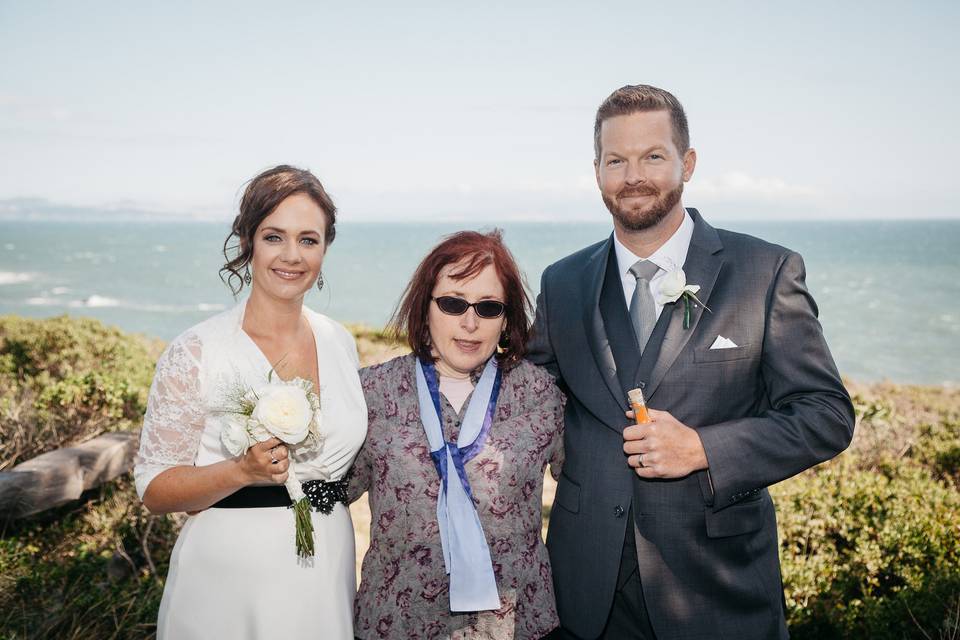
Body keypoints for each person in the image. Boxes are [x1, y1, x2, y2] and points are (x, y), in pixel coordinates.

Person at [527, 85, 856, 640]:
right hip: (585, 595)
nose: (634, 175)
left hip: (717, 594)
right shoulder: (562, 283)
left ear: (688, 163)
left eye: (653, 156)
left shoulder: (766, 271)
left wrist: (704, 449)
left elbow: (826, 414)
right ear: (597, 171)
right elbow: (532, 401)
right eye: (617, 160)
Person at [134, 165, 367, 639]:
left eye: (308, 239)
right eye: (274, 236)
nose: (291, 255)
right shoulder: (197, 350)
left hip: (326, 571)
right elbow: (155, 489)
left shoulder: (339, 341)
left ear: (325, 248)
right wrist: (241, 471)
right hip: (227, 581)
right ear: (248, 242)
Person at [349, 230, 565, 639]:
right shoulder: (371, 392)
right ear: (425, 307)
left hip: (513, 626)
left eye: (488, 307)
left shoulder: (539, 393)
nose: (469, 323)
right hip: (395, 621)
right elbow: (327, 493)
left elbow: (589, 484)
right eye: (452, 303)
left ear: (506, 319)